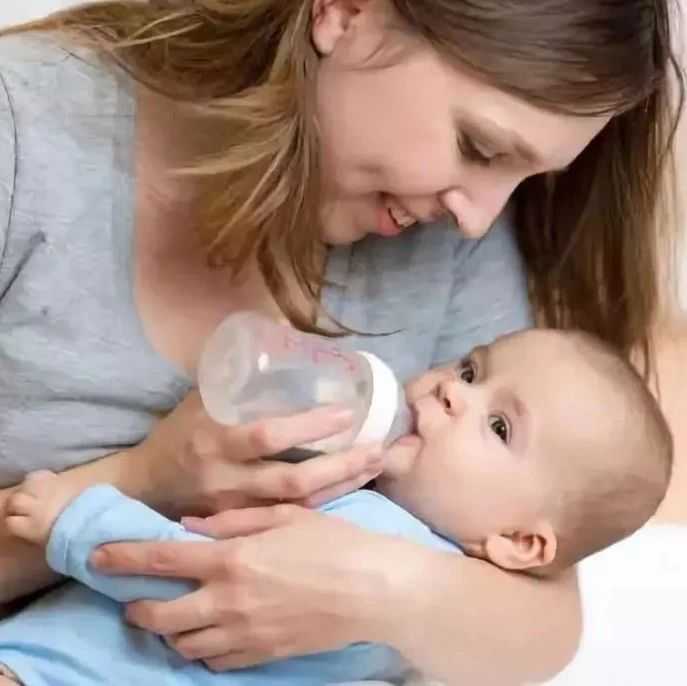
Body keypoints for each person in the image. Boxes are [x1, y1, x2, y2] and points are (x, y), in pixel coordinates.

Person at [0, 1, 681, 683]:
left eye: (523, 177)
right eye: (479, 146)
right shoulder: (23, 141)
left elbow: (541, 621)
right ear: (347, 11)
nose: (477, 217)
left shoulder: (437, 237)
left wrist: (376, 590)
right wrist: (141, 481)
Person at [0, 328, 673, 686]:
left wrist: (75, 520)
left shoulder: (377, 538)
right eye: (471, 370)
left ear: (521, 541)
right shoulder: (421, 589)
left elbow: (199, 575)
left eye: (498, 427)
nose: (449, 392)